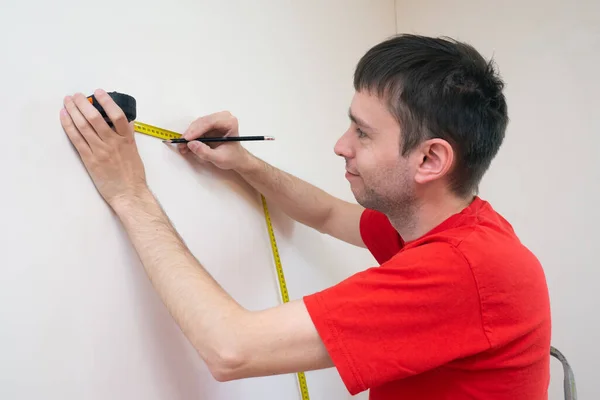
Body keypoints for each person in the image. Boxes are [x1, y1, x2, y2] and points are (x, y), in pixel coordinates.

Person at [59, 34, 551, 399]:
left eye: (362, 133)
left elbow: (232, 349)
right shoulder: (445, 229)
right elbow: (325, 212)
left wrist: (129, 193)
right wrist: (244, 163)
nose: (340, 146)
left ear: (429, 160)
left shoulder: (464, 271)